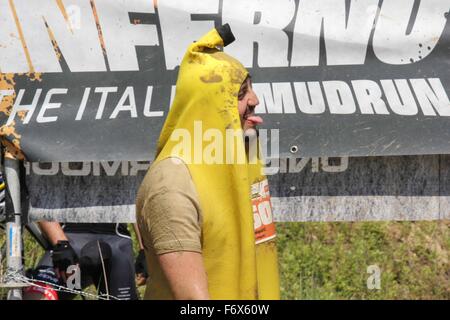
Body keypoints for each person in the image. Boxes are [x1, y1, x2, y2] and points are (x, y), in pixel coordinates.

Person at [136, 24, 280, 300]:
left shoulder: (232, 165)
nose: (255, 100)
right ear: (209, 104)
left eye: (250, 88)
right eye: (240, 94)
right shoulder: (172, 186)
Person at [25, 221, 143, 300]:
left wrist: (145, 251)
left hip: (116, 241)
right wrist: (62, 245)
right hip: (69, 240)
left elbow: (140, 196)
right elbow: (43, 197)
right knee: (36, 295)